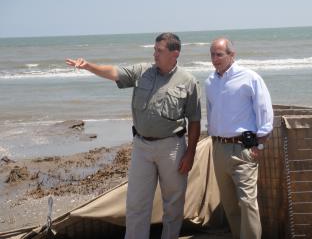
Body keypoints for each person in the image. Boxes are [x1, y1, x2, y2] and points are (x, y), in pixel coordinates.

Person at [66, 33, 201, 239]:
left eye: (159, 50)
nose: (154, 54)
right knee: (136, 204)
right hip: (141, 148)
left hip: (172, 148)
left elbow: (194, 120)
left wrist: (190, 153)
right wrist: (88, 66)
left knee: (173, 204)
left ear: (175, 54)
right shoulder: (142, 71)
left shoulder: (188, 81)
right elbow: (114, 72)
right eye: (154, 49)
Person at [205, 38, 273, 239]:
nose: (215, 59)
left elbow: (265, 113)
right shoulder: (210, 82)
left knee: (247, 203)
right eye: (212, 54)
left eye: (219, 54)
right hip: (218, 148)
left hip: (243, 149)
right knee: (229, 204)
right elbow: (211, 114)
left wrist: (259, 145)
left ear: (232, 55)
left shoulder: (250, 77)